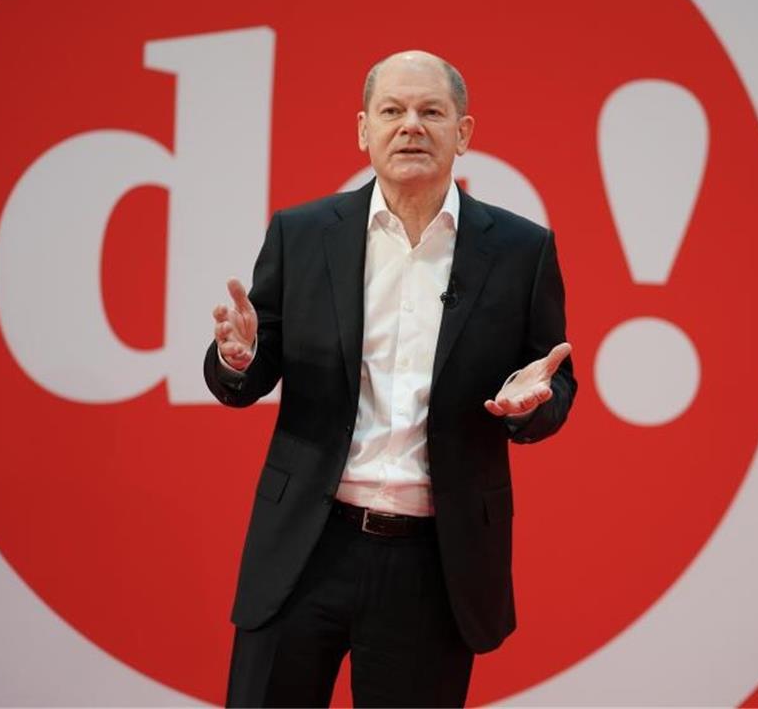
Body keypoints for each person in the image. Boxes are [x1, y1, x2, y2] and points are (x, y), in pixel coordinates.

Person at [204, 50, 576, 707]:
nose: (411, 126)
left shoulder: (521, 251)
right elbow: (255, 361)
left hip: (435, 560)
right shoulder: (303, 233)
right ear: (363, 130)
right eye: (393, 111)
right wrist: (237, 360)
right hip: (305, 548)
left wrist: (529, 406)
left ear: (463, 132)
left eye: (431, 111)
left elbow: (553, 379)